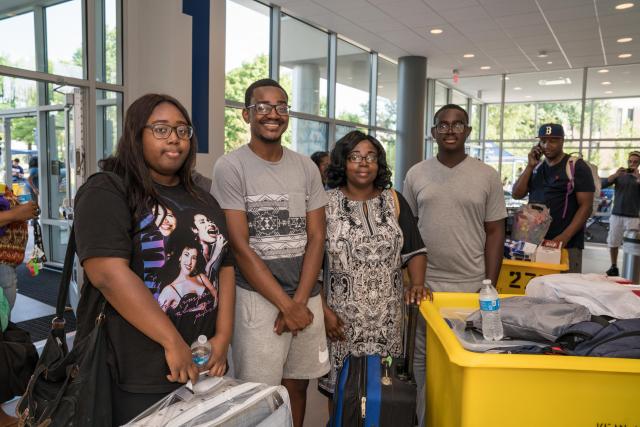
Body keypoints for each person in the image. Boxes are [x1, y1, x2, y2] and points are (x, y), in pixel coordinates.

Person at [73, 93, 235, 425]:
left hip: (201, 363)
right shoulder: (108, 189)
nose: (174, 137)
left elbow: (225, 266)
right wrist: (172, 341)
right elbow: (106, 274)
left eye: (182, 129)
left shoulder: (201, 196)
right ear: (136, 134)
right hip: (137, 367)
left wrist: (223, 337)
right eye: (160, 129)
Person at [211, 78, 328, 427]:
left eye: (280, 107)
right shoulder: (231, 167)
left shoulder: (306, 167)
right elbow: (239, 245)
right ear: (247, 115)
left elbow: (317, 237)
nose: (272, 114)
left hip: (306, 297)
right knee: (257, 396)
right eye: (262, 107)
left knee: (297, 385)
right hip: (257, 300)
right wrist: (286, 304)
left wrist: (300, 301)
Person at [403, 104, 507, 427]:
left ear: (468, 132)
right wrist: (409, 280)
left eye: (457, 124)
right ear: (433, 132)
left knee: (466, 360)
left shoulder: (487, 176)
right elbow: (407, 230)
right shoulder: (416, 174)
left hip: (470, 288)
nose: (450, 130)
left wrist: (488, 284)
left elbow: (495, 232)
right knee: (421, 360)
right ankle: (423, 419)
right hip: (426, 288)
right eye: (443, 125)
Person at [318, 130, 429, 402]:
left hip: (388, 321)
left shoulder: (393, 200)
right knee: (343, 394)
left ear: (379, 163)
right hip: (341, 321)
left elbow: (416, 250)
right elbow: (310, 265)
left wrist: (416, 283)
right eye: (355, 157)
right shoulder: (324, 205)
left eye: (370, 156)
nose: (363, 163)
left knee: (385, 392)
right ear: (343, 163)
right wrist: (322, 311)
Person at [512, 123, 595, 272]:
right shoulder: (536, 167)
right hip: (533, 243)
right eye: (543, 141)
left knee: (565, 291)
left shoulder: (577, 167)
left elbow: (586, 206)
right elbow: (517, 194)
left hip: (565, 244)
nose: (547, 145)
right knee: (536, 290)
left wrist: (564, 237)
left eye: (553, 141)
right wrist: (530, 166)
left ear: (562, 141)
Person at [603, 151, 640, 276]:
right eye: (630, 161)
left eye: (635, 161)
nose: (632, 164)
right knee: (613, 241)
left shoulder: (639, 177)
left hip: (633, 217)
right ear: (627, 161)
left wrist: (638, 178)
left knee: (632, 245)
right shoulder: (620, 175)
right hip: (616, 215)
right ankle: (614, 267)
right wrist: (615, 175)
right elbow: (602, 185)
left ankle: (632, 268)